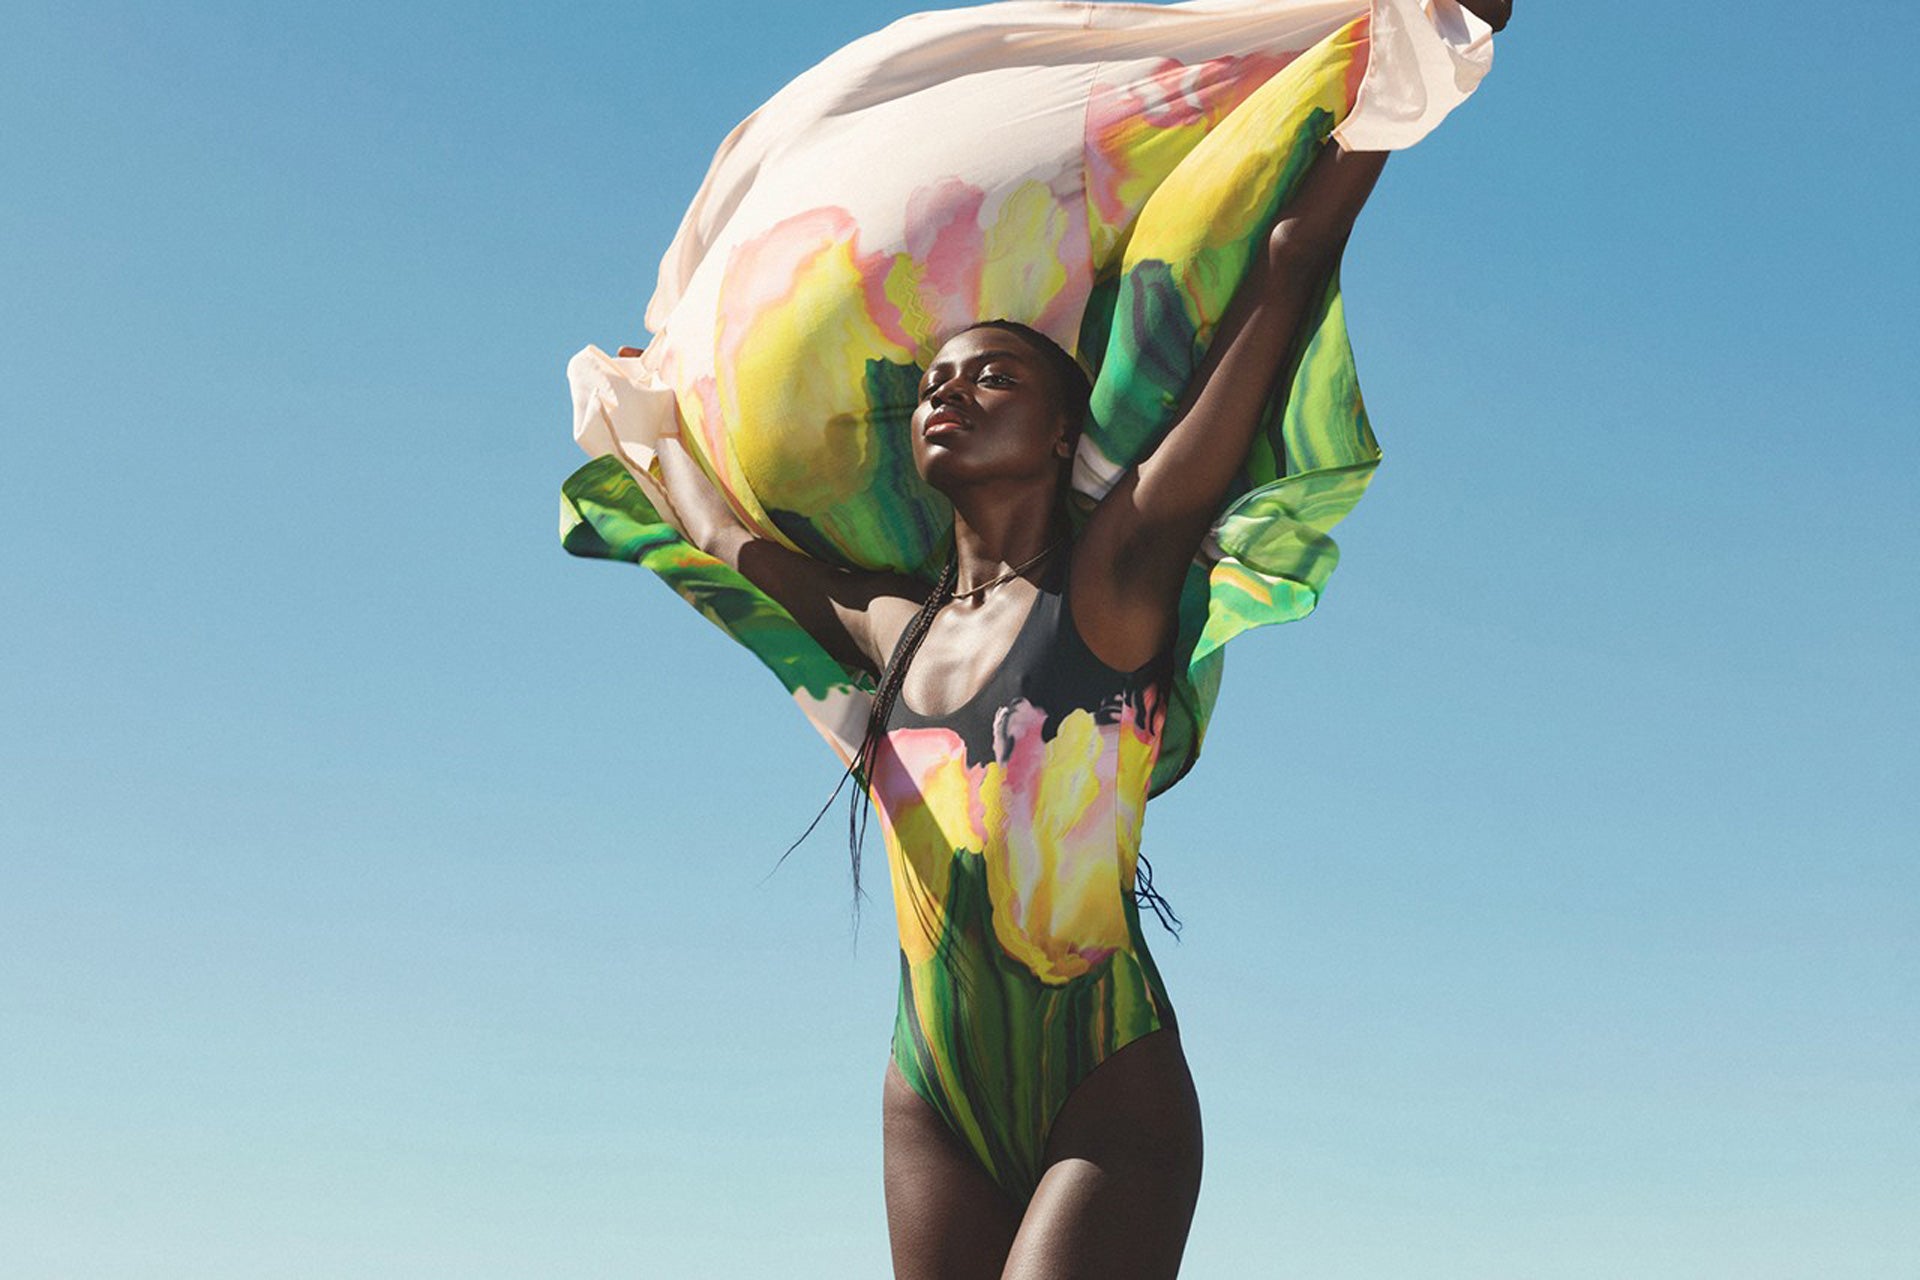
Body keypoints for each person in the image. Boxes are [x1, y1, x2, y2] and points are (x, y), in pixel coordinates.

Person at [624, 131, 1398, 1278]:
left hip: (1109, 1083)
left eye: (994, 376)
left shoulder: (1114, 579)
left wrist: (1394, 84)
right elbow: (727, 540)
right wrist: (646, 411)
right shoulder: (891, 627)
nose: (951, 392)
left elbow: (1286, 263)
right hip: (929, 1091)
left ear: (1059, 431)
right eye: (935, 382)